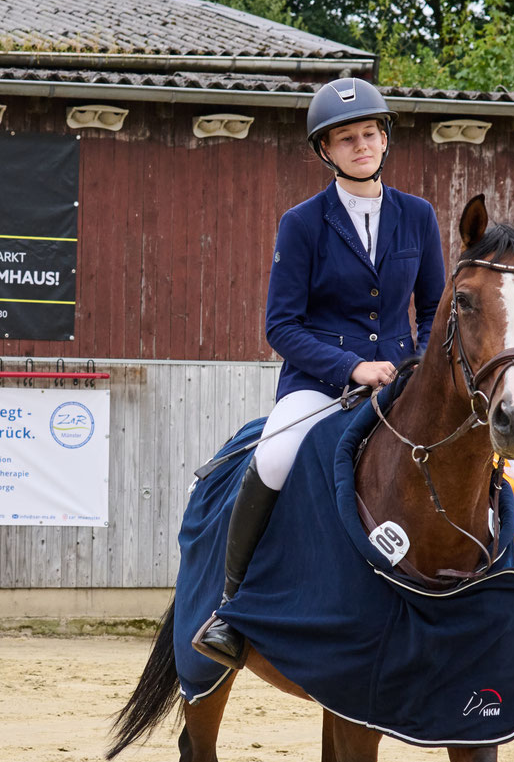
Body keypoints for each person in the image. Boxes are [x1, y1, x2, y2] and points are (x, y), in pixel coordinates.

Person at [192, 78, 448, 668]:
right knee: (274, 458)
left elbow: (434, 307)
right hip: (319, 386)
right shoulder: (303, 222)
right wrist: (352, 365)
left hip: (403, 381)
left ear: (384, 139)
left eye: (369, 134)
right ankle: (231, 607)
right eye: (345, 138)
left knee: (483, 456)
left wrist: (421, 367)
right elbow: (281, 326)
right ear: (325, 150)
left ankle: (501, 598)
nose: (360, 145)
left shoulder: (417, 215)